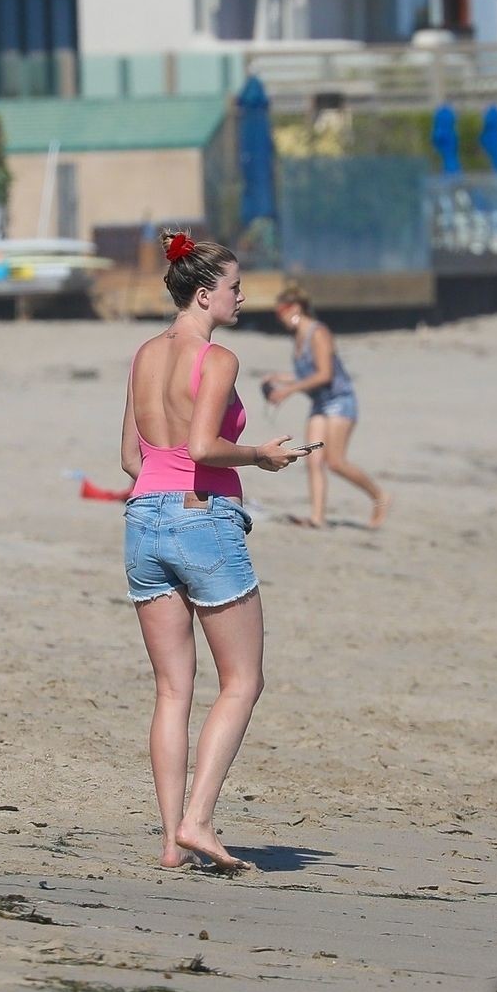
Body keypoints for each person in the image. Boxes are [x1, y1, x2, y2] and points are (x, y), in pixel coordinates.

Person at [119, 230, 306, 871]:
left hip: (143, 518)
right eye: (233, 287)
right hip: (201, 518)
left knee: (173, 689)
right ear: (204, 295)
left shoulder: (144, 355)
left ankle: (171, 843)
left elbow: (130, 457)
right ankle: (198, 821)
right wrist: (261, 455)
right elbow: (202, 448)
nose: (241, 297)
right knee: (243, 680)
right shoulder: (217, 359)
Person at [261, 285, 391, 529]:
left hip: (340, 400)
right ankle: (317, 517)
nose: (279, 318)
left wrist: (289, 390)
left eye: (281, 312)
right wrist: (278, 378)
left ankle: (379, 496)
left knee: (336, 462)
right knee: (312, 459)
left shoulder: (318, 332)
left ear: (295, 308)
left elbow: (324, 374)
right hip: (320, 403)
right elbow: (305, 374)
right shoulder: (298, 337)